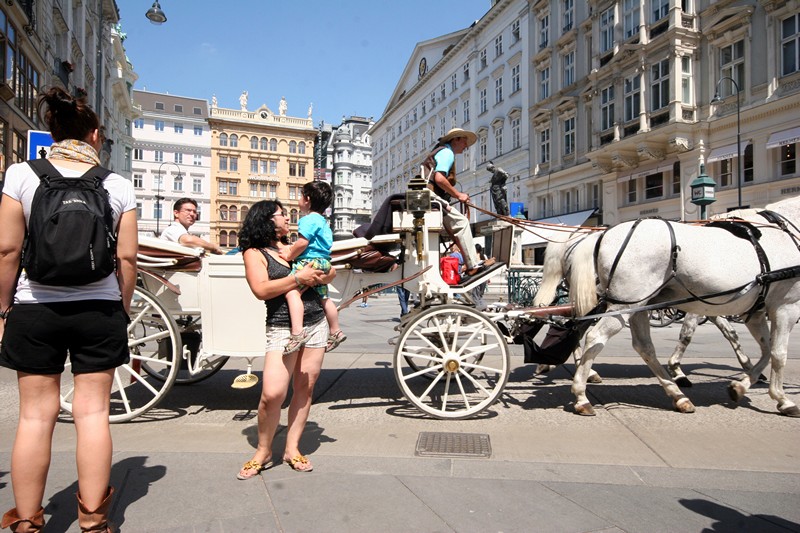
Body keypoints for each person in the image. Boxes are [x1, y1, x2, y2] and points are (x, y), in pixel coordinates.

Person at [0, 87, 138, 532]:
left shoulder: (21, 174)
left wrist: (3, 308)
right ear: (95, 136)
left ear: (52, 132)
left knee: (36, 417)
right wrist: (121, 305)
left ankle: (26, 521)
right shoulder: (115, 184)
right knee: (93, 413)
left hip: (34, 306)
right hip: (97, 309)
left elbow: (6, 249)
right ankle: (94, 520)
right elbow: (128, 259)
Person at [236, 200, 334, 479]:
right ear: (267, 220)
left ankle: (292, 448)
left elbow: (332, 270)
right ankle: (263, 450)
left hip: (316, 323)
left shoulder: (294, 247)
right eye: (282, 215)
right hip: (281, 328)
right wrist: (299, 277)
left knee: (305, 387)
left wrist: (320, 274)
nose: (288, 218)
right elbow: (261, 289)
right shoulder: (254, 252)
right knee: (273, 394)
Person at [278, 182, 346, 354]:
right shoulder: (324, 222)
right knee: (325, 298)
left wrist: (289, 254)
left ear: (307, 199)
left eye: (300, 195)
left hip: (308, 262)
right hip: (323, 262)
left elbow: (302, 243)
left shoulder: (307, 220)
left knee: (292, 293)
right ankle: (336, 330)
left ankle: (297, 333)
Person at [423, 128, 494, 281]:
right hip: (429, 196)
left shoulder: (439, 151)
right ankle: (472, 265)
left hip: (425, 196)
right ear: (455, 139)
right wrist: (459, 194)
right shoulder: (447, 153)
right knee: (461, 222)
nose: (466, 145)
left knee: (457, 225)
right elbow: (439, 178)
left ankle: (471, 263)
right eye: (464, 141)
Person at [471, 243, 489, 310]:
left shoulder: (474, 256)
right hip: (483, 277)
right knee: (480, 294)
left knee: (475, 294)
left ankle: (480, 307)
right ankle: (482, 305)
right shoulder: (484, 256)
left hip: (477, 277)